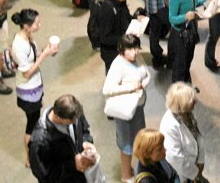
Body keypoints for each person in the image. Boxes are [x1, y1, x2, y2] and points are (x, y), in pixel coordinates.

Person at [11, 9, 58, 166]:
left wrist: (47, 50)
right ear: (26, 26)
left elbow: (35, 54)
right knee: (31, 124)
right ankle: (30, 157)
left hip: (35, 87)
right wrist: (44, 55)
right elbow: (27, 73)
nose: (40, 25)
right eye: (37, 23)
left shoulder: (27, 37)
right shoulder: (18, 46)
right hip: (28, 90)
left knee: (35, 120)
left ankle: (35, 152)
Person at [103, 34, 151, 182]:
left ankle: (137, 169)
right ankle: (126, 175)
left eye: (137, 48)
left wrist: (143, 84)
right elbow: (106, 90)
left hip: (138, 107)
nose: (135, 52)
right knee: (126, 144)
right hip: (125, 111)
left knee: (139, 138)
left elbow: (147, 74)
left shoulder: (137, 58)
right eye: (130, 49)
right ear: (122, 49)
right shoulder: (118, 65)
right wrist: (130, 88)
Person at [29, 94, 97, 183]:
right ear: (57, 117)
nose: (75, 121)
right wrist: (72, 164)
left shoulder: (74, 113)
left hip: (80, 176)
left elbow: (85, 131)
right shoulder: (40, 141)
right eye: (71, 122)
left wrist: (86, 142)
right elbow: (44, 175)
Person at [167, 0, 209, 85]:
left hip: (190, 29)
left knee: (188, 57)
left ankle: (185, 78)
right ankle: (178, 87)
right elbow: (172, 18)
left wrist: (205, 0)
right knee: (180, 62)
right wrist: (185, 16)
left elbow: (194, 1)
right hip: (180, 33)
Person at [160, 83, 206, 183]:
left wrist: (200, 160)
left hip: (193, 166)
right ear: (183, 104)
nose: (196, 101)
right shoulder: (169, 126)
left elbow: (198, 135)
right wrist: (195, 175)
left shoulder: (187, 113)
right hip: (182, 174)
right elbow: (175, 157)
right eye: (192, 100)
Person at [93, 0, 136, 74]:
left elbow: (126, 16)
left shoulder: (122, 2)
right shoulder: (107, 9)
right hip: (112, 53)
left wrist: (136, 20)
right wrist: (124, 38)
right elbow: (105, 38)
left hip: (122, 47)